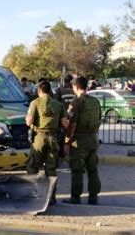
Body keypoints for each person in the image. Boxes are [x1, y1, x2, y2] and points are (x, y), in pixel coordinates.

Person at [26, 81, 68, 205]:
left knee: (32, 166)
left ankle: (33, 194)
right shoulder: (59, 105)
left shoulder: (35, 103)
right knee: (51, 168)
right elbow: (65, 124)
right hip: (53, 138)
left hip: (39, 137)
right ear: (50, 91)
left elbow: (29, 122)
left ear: (39, 91)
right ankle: (51, 197)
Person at [63, 76, 102, 205]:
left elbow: (72, 125)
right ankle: (93, 198)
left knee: (77, 171)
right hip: (93, 139)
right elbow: (99, 120)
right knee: (93, 170)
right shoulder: (95, 102)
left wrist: (67, 141)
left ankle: (75, 198)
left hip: (79, 141)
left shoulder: (76, 103)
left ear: (76, 87)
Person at [54, 75, 76, 158]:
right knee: (72, 135)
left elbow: (55, 103)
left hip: (63, 118)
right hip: (73, 117)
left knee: (63, 136)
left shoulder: (59, 90)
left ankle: (62, 154)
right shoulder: (74, 91)